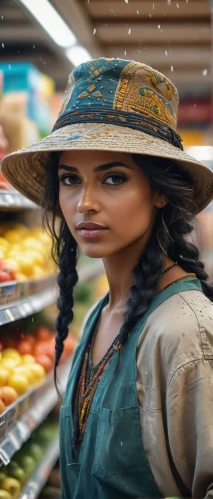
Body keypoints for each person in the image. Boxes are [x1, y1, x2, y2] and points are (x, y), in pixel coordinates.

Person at [2, 58, 213, 499]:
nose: (84, 203)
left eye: (113, 178)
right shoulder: (105, 312)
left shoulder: (184, 331)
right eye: (69, 179)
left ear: (159, 190)